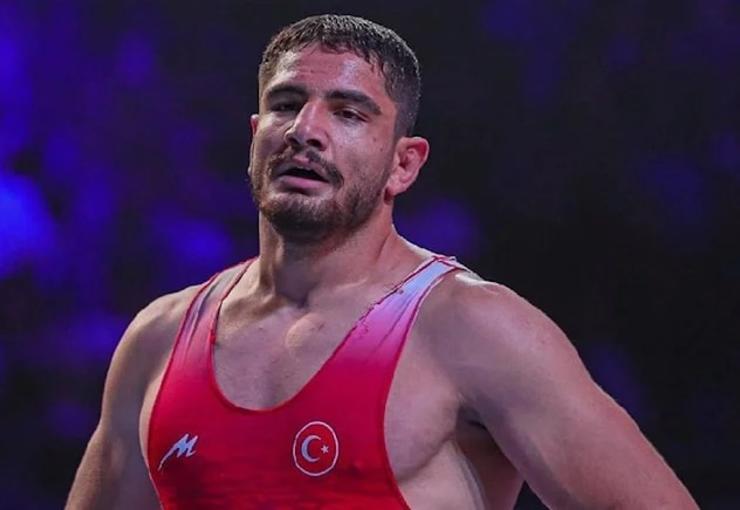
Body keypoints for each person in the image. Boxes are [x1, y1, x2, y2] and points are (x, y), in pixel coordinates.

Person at [66, 14, 698, 510]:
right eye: (285, 104)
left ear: (404, 163)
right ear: (255, 135)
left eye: (347, 113)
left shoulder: (474, 329)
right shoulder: (157, 340)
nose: (305, 130)